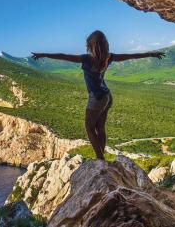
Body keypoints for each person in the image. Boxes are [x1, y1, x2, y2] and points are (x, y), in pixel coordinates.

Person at [32, 30, 165, 160]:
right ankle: (102, 156)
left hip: (96, 98)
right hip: (107, 96)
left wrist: (43, 54)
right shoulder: (109, 57)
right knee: (100, 127)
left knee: (89, 128)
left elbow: (63, 56)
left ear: (91, 46)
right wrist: (151, 54)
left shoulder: (87, 59)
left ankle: (100, 159)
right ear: (104, 44)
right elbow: (131, 56)